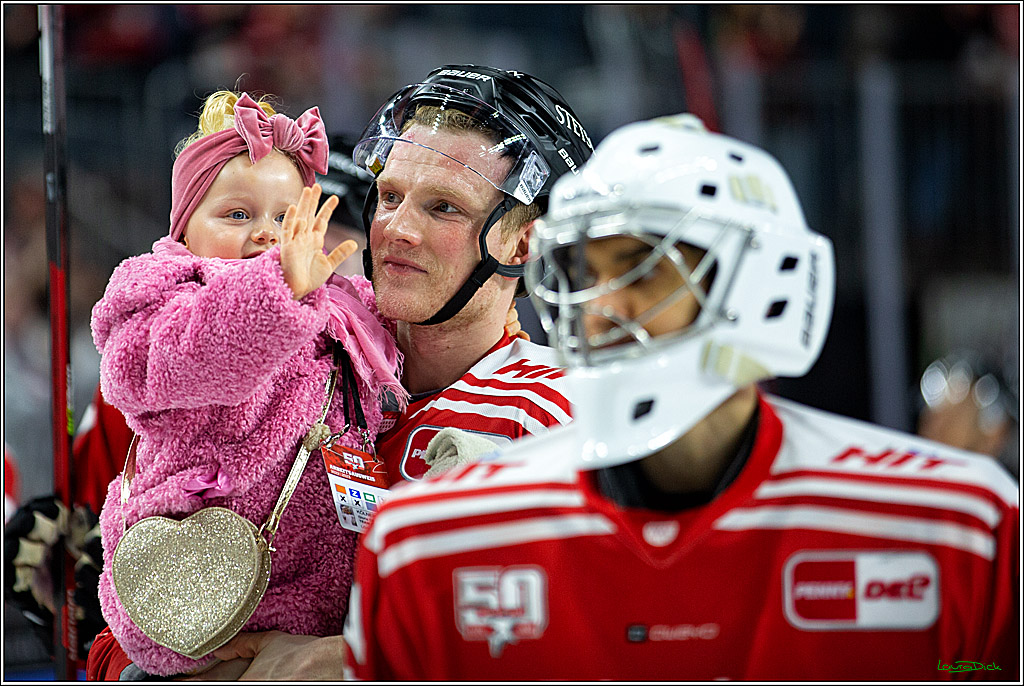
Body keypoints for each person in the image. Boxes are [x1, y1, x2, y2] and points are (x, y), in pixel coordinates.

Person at [342, 114, 1019, 680]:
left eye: (646, 271)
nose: (602, 307)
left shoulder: (966, 530)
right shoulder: (423, 546)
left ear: (764, 284)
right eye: (585, 270)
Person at [88, 64, 595, 679]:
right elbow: (119, 635)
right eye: (390, 197)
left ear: (522, 245)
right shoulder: (248, 360)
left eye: (444, 208)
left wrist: (341, 662)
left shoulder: (557, 419)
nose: (399, 229)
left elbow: (566, 654)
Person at [88, 89, 406, 678]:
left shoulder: (341, 311)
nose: (267, 235)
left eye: (285, 219)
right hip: (201, 610)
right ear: (183, 230)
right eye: (237, 215)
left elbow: (401, 352)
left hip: (315, 616)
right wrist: (277, 290)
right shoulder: (161, 295)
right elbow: (166, 360)